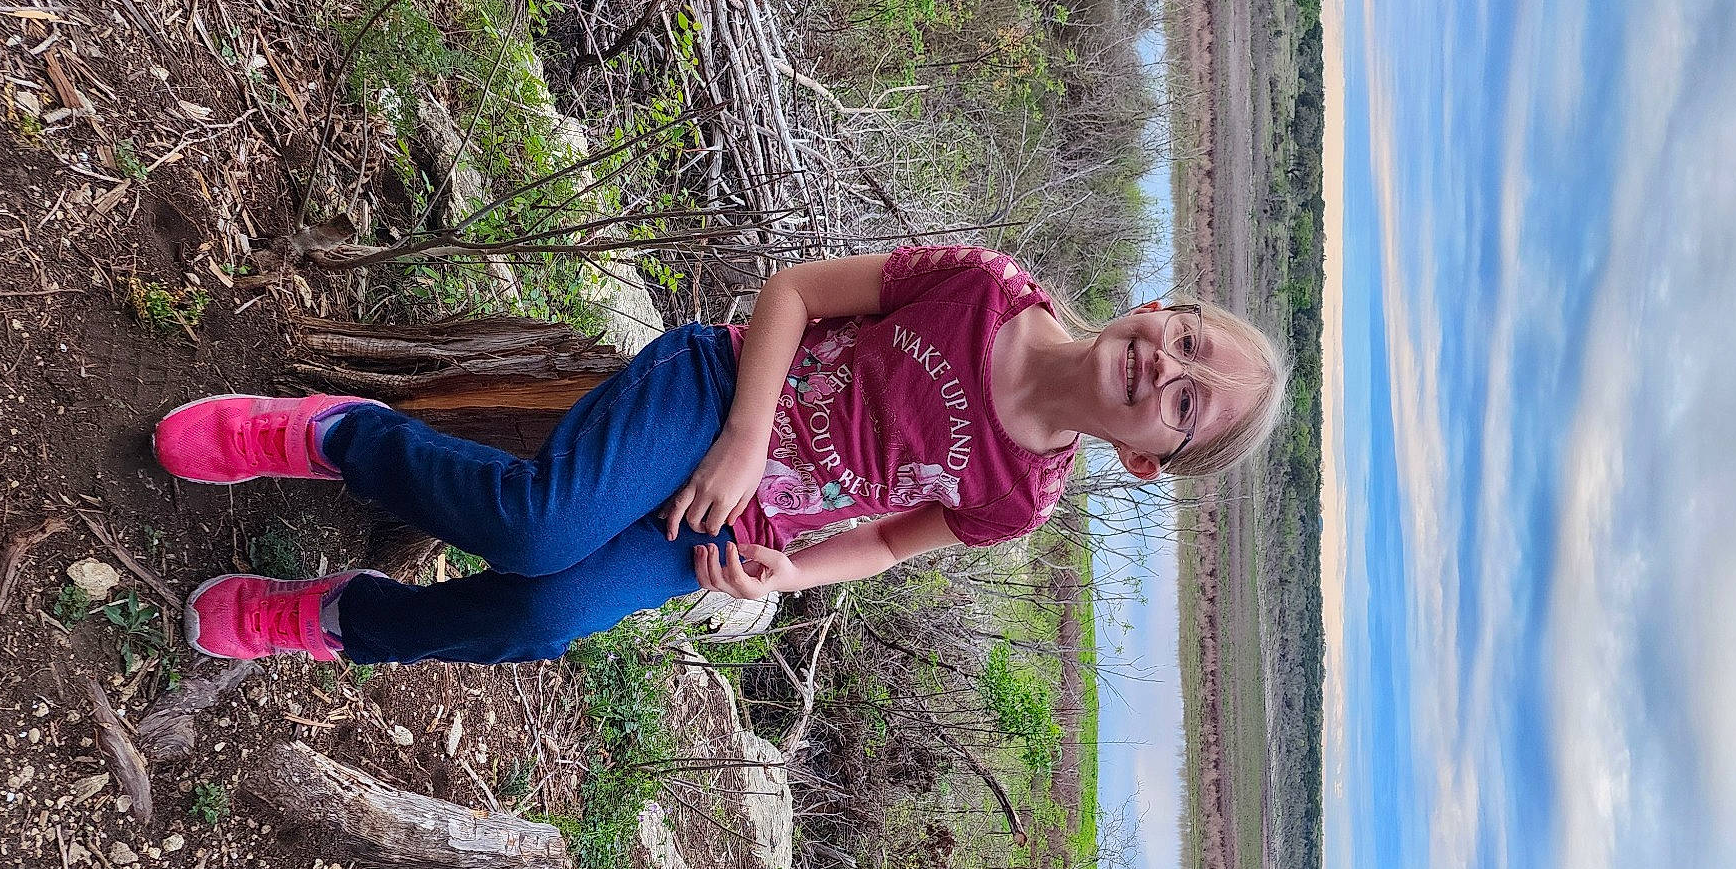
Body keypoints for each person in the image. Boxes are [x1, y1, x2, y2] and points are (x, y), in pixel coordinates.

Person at [154, 244, 1286, 665]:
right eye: (1183, 339)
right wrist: (747, 435)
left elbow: (892, 540)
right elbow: (794, 294)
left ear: (1145, 460)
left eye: (1186, 405)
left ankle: (335, 620)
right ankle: (331, 435)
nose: (1163, 368)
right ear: (1156, 305)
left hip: (726, 533)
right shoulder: (983, 290)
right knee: (535, 525)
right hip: (711, 401)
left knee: (537, 618)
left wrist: (784, 570)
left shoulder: (1020, 495)